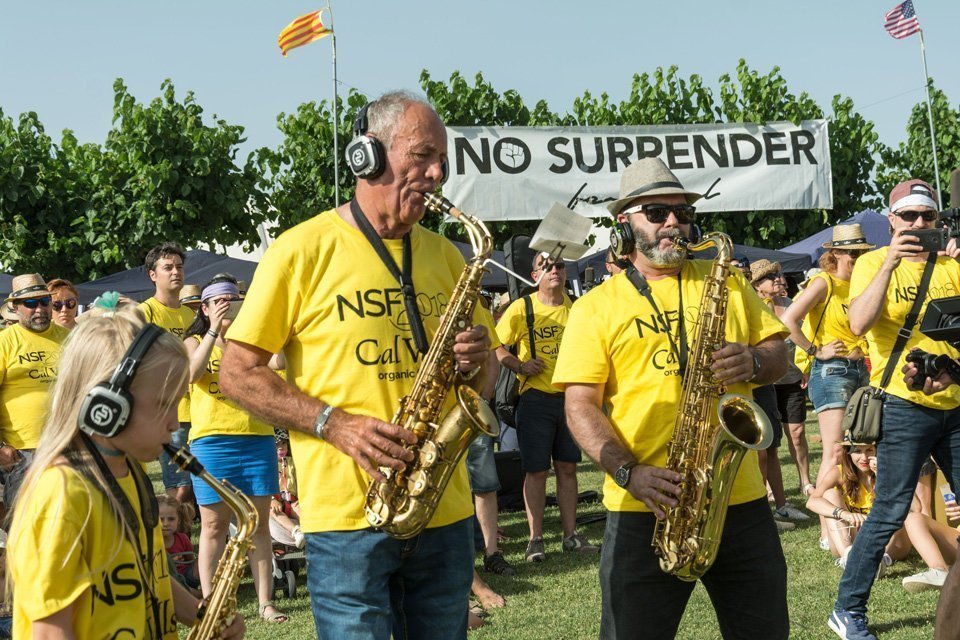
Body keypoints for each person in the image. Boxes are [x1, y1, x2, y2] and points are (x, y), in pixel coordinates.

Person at [218, 91, 495, 639]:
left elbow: (482, 384)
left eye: (443, 161)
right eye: (423, 155)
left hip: (444, 511)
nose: (437, 174)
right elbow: (237, 371)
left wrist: (477, 361)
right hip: (347, 519)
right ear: (368, 154)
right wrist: (334, 424)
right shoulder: (300, 249)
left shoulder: (448, 255)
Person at [555, 157, 790, 639]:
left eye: (682, 213)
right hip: (644, 505)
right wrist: (628, 472)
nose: (672, 224)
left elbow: (779, 354)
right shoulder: (595, 307)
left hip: (737, 499)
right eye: (656, 213)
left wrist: (752, 361)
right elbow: (580, 406)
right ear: (625, 226)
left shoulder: (728, 280)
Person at [5, 301, 244, 638]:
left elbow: (151, 572)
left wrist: (203, 615)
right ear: (107, 405)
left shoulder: (131, 472)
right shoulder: (60, 494)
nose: (174, 423)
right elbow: (48, 632)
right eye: (164, 404)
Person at [830, 179, 960, 640]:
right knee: (890, 509)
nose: (919, 223)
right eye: (909, 216)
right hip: (903, 405)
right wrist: (889, 262)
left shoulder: (951, 266)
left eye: (928, 216)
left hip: (954, 401)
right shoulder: (872, 262)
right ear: (892, 220)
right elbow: (858, 323)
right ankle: (848, 609)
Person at [184, 275, 287, 623]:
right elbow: (191, 374)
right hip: (211, 441)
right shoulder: (194, 340)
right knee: (214, 526)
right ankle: (211, 603)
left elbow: (280, 363)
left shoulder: (251, 343)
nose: (227, 305)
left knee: (258, 524)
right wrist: (214, 330)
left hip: (256, 438)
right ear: (205, 307)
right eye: (219, 301)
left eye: (233, 299)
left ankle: (265, 603)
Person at [496, 251, 599, 562]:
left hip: (570, 400)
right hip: (535, 400)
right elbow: (495, 346)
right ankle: (535, 539)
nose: (555, 270)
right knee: (536, 471)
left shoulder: (577, 307)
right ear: (535, 275)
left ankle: (570, 536)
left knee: (568, 468)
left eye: (560, 266)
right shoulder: (522, 307)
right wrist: (520, 365)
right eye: (547, 266)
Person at [781, 224, 873, 550]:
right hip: (832, 371)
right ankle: (826, 528)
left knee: (854, 447)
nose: (856, 257)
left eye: (861, 252)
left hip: (860, 370)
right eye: (851, 252)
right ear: (835, 253)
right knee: (834, 451)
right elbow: (788, 319)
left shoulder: (863, 283)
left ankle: (846, 517)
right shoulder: (825, 282)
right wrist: (815, 350)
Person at [0, 274, 69, 508]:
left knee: (66, 515)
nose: (39, 309)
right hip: (22, 451)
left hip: (67, 444)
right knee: (24, 519)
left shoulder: (69, 338)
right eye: (30, 303)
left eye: (44, 301)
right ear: (15, 308)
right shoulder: (5, 342)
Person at [749, 259, 809, 526]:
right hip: (755, 383)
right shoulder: (751, 305)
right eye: (769, 276)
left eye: (777, 274)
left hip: (774, 383)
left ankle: (782, 506)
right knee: (760, 451)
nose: (777, 279)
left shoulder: (786, 303)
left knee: (772, 447)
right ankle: (762, 510)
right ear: (756, 285)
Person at [139, 242, 196, 508]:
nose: (176, 272)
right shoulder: (145, 312)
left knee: (196, 485)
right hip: (168, 413)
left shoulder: (192, 315)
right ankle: (170, 532)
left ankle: (185, 535)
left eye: (179, 267)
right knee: (179, 487)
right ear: (153, 274)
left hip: (199, 410)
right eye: (168, 267)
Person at [805, 439, 908, 571]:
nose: (864, 457)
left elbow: (912, 508)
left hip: (886, 541)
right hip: (850, 537)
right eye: (858, 451)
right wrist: (845, 514)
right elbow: (812, 502)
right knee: (830, 494)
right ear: (848, 453)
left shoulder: (889, 471)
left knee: (901, 511)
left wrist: (883, 475)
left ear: (878, 451)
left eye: (869, 450)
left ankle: (879, 561)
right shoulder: (839, 472)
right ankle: (848, 558)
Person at [157, 493, 201, 593]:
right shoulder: (152, 542)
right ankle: (195, 594)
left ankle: (199, 591)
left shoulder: (182, 538)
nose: (165, 524)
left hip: (187, 578)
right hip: (167, 582)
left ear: (179, 520)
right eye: (161, 519)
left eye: (171, 519)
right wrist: (170, 563)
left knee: (203, 559)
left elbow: (190, 560)